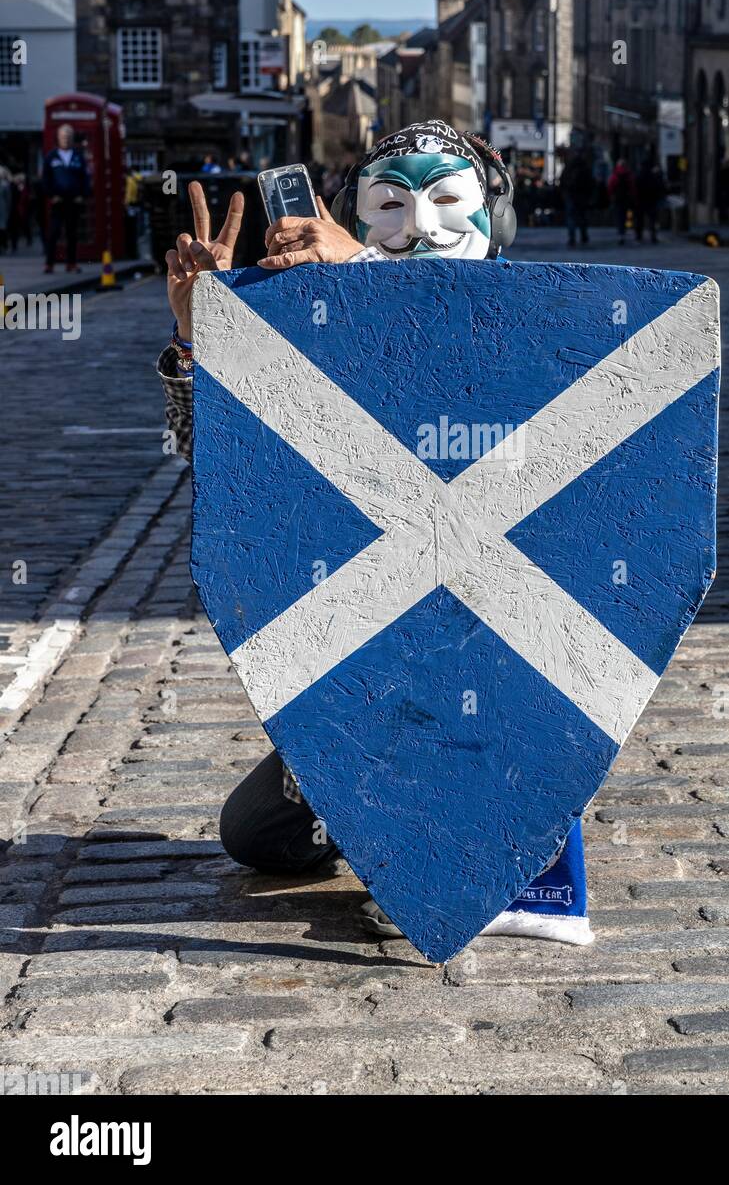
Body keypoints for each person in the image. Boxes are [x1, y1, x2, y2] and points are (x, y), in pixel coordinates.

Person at [155, 120, 594, 949]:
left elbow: (461, 382)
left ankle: (491, 840)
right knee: (256, 834)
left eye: (444, 200)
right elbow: (215, 460)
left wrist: (361, 263)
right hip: (370, 653)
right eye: (389, 205)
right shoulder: (319, 323)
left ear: (494, 216)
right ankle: (385, 808)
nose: (416, 227)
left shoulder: (529, 319)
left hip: (497, 655)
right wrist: (201, 336)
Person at [41, 124, 90, 273]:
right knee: (54, 233)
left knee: (72, 234)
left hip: (73, 200)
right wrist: (51, 195)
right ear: (58, 137)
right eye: (63, 136)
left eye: (68, 136)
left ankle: (71, 263)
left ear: (72, 138)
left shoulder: (78, 156)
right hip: (58, 201)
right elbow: (45, 179)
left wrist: (82, 195)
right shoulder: (51, 157)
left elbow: (85, 178)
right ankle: (49, 264)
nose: (66, 139)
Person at [558, 148, 593, 247]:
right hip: (582, 196)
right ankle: (583, 235)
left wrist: (564, 193)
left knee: (571, 217)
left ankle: (572, 237)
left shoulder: (569, 167)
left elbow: (562, 181)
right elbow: (590, 183)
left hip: (570, 195)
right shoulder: (585, 167)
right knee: (582, 216)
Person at [634, 147, 666, 243]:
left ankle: (639, 236)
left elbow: (635, 187)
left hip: (640, 200)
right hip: (652, 200)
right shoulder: (653, 175)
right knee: (652, 219)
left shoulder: (639, 175)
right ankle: (653, 236)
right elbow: (658, 187)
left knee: (639, 219)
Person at [607, 157, 635, 245]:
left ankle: (620, 232)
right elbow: (632, 187)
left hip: (617, 199)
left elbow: (610, 187)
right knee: (625, 215)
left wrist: (611, 196)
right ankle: (625, 229)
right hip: (626, 198)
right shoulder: (628, 174)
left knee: (618, 216)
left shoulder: (615, 175)